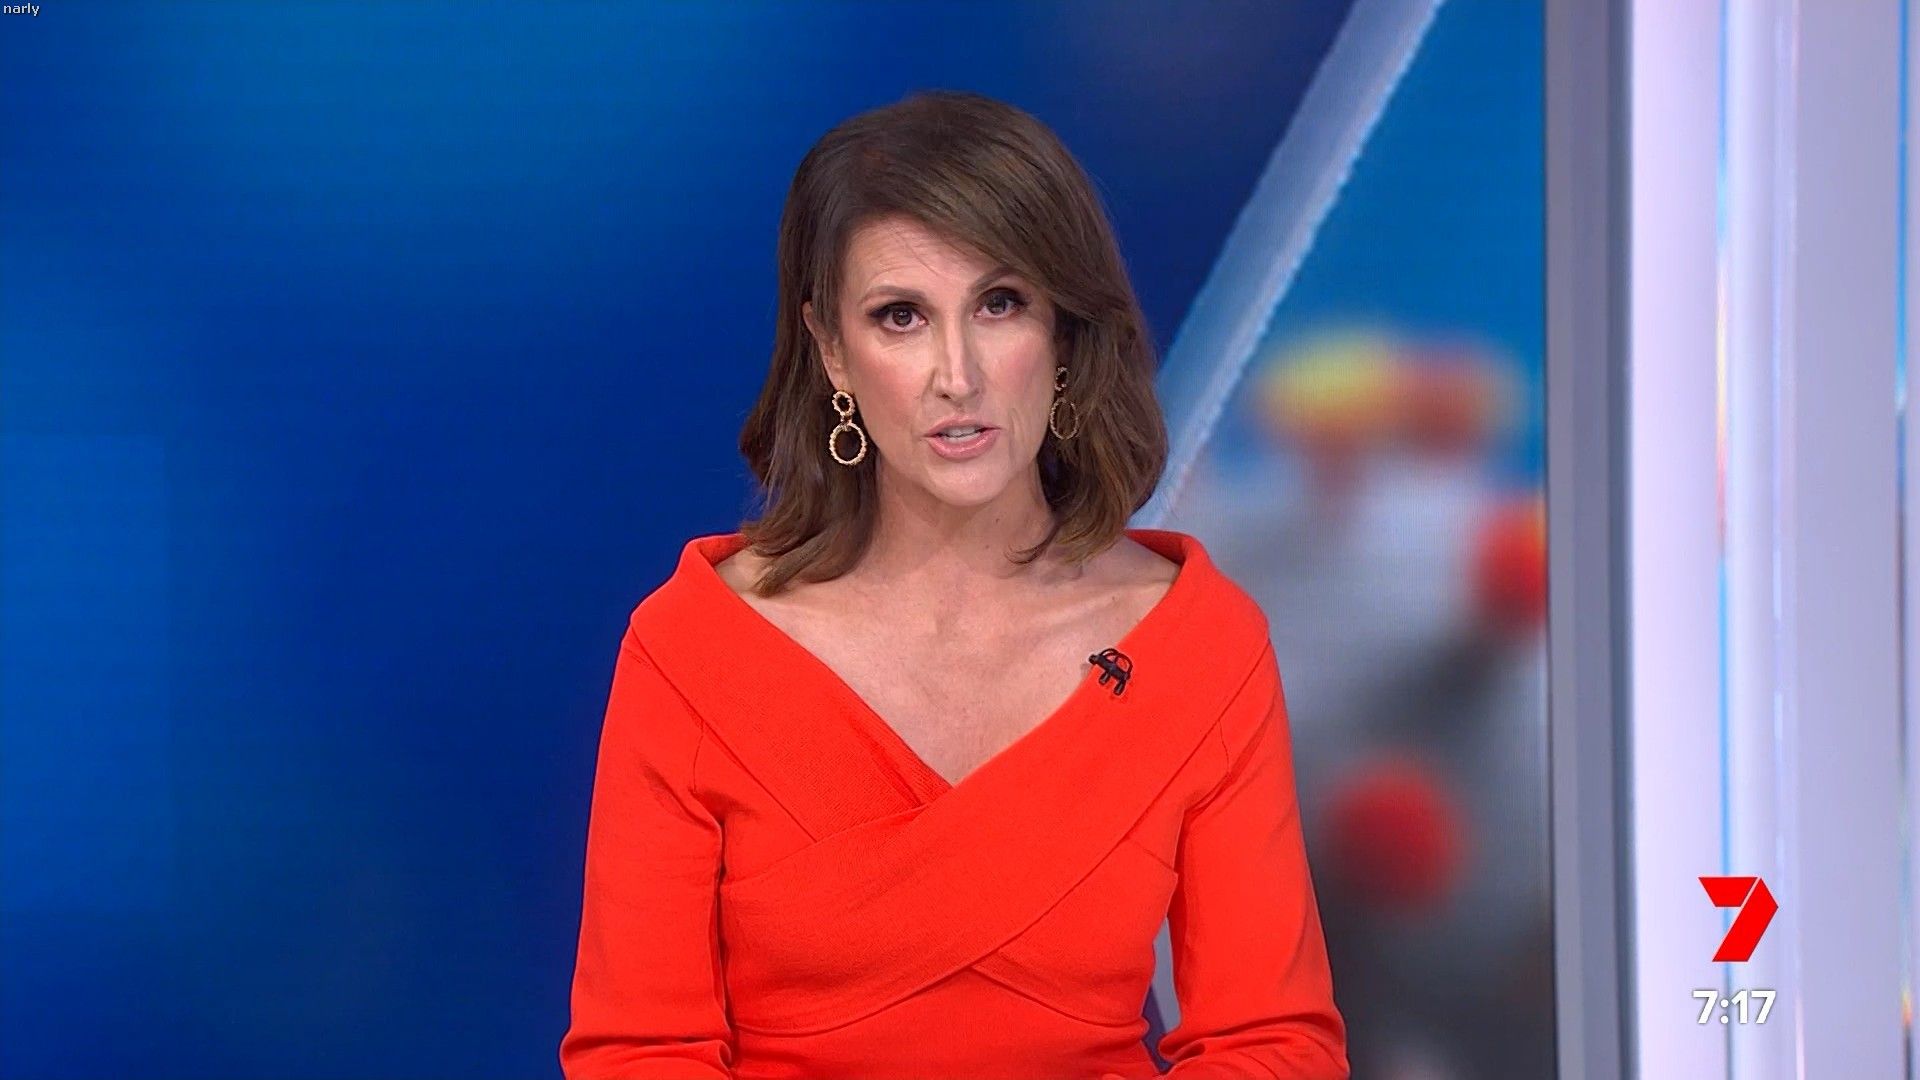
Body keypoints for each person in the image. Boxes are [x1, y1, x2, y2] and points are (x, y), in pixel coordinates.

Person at [559, 88, 1348, 1080]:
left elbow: (1273, 1045)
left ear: (1063, 334)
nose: (958, 374)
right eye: (901, 318)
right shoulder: (691, 654)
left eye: (999, 304)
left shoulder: (1198, 650)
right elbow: (640, 1054)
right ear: (833, 352)